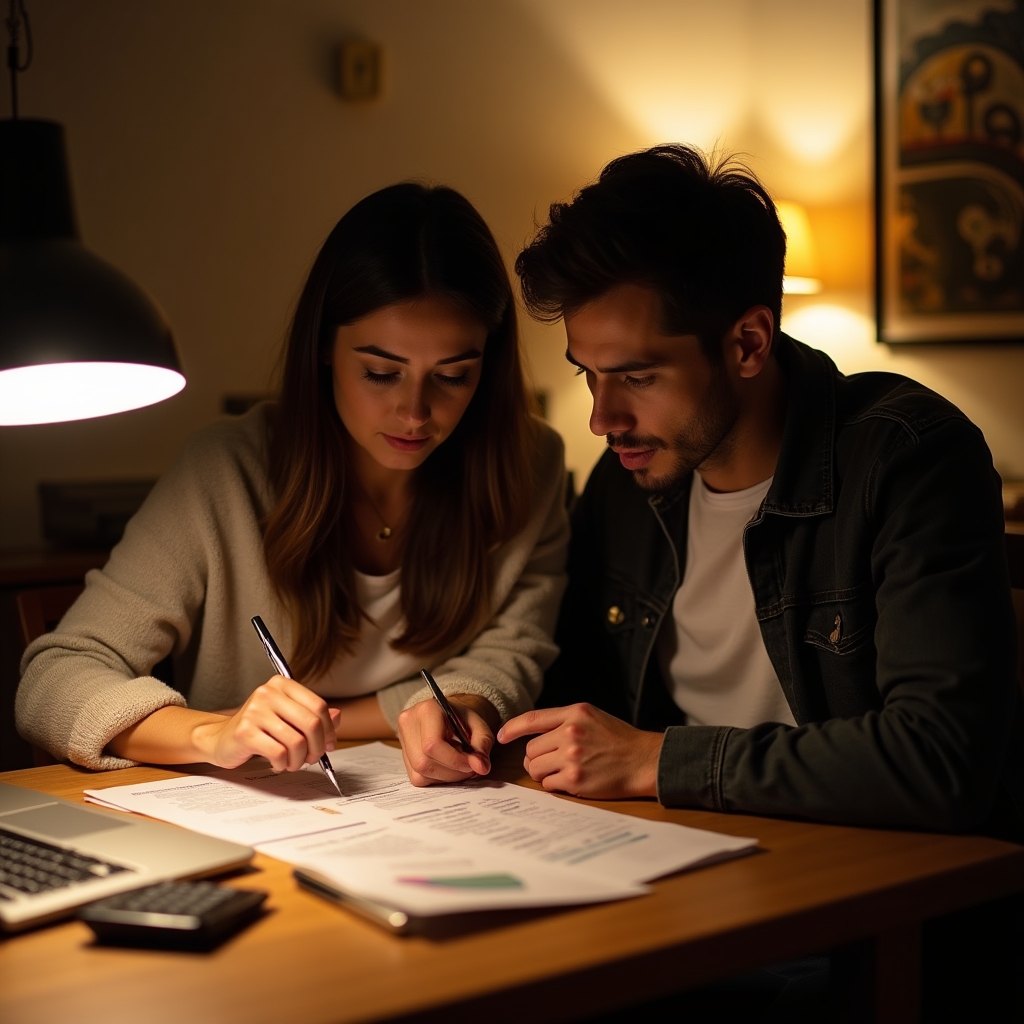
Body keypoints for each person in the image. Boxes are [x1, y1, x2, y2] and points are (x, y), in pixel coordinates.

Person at [501, 145, 1023, 843]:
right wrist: (472, 713)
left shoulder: (909, 460)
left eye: (638, 376)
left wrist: (656, 761)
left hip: (866, 892)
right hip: (668, 855)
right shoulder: (625, 482)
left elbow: (940, 761)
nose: (603, 419)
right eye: (587, 376)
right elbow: (571, 696)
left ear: (748, 343)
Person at [17, 183, 569, 788]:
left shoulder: (529, 464)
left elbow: (511, 653)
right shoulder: (225, 471)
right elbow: (55, 679)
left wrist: (460, 706)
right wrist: (212, 732)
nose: (415, 412)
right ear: (325, 349)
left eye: (454, 376)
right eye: (381, 373)